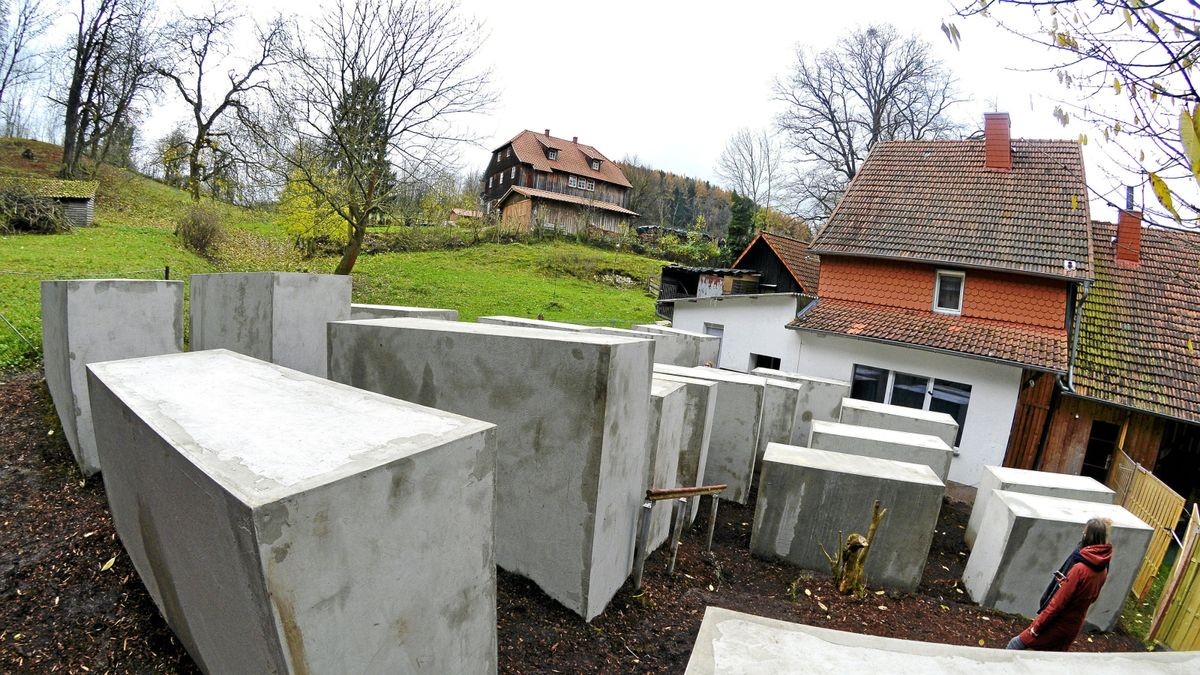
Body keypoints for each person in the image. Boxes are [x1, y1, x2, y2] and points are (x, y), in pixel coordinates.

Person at [1006, 517, 1112, 651]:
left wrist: (1035, 628)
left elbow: (1057, 604)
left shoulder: (1079, 569)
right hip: (1073, 627)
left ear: (1088, 537)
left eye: (1084, 533)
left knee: (1014, 645)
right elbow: (1093, 597)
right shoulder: (1103, 569)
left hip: (1057, 625)